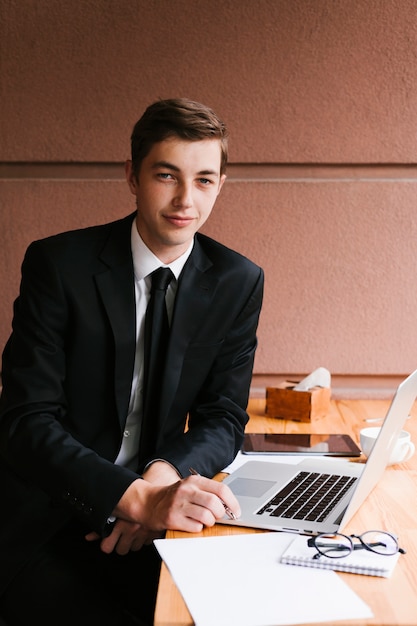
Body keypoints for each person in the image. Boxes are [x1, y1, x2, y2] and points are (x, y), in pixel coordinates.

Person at [0, 98, 264, 626]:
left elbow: (224, 417)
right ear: (132, 176)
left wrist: (162, 481)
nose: (186, 199)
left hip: (152, 519)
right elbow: (26, 423)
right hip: (47, 515)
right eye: (167, 175)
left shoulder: (238, 280)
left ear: (221, 183)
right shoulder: (58, 266)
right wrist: (134, 499)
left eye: (205, 179)